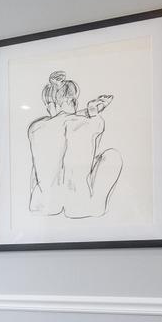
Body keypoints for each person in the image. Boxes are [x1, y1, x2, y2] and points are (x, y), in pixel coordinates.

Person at [26, 70, 122, 218]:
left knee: (39, 159)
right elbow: (72, 119)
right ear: (74, 101)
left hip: (42, 204)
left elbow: (61, 120)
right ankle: (95, 205)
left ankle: (46, 200)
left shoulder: (35, 128)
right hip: (80, 206)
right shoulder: (93, 123)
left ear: (49, 104)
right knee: (111, 156)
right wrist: (93, 110)